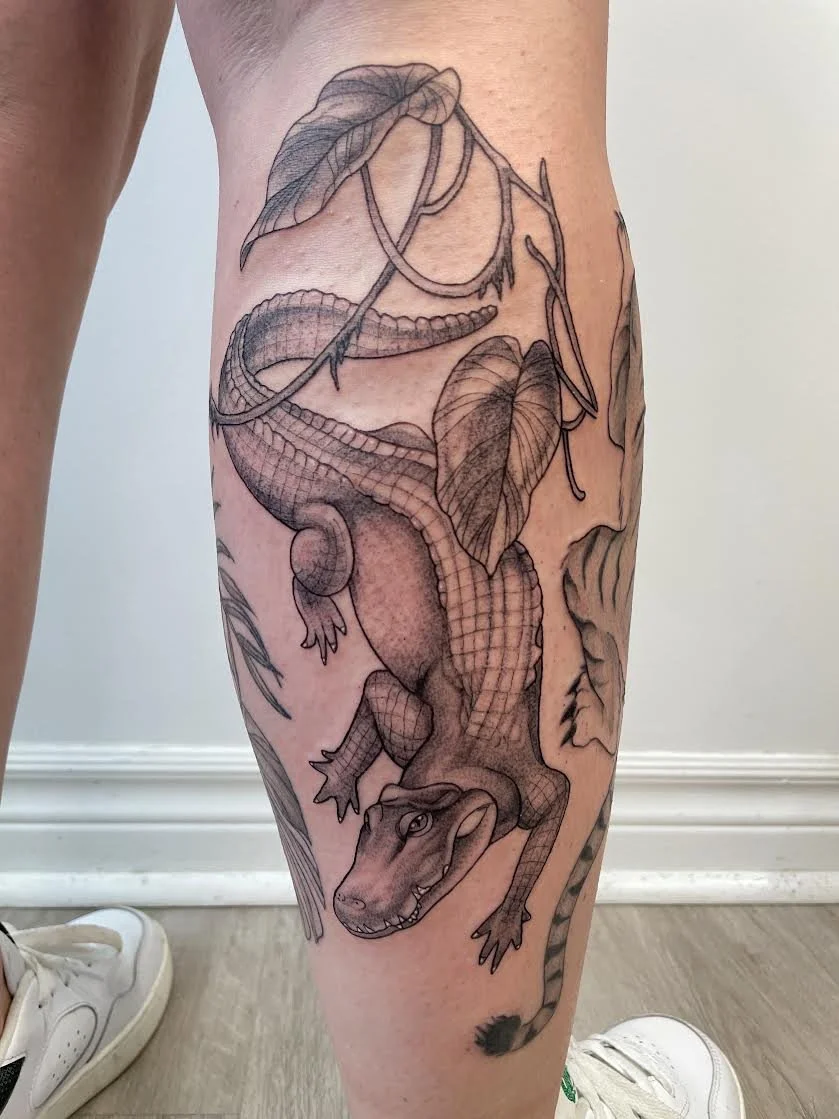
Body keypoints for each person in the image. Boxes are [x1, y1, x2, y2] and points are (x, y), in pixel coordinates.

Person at [0, 3, 746, 1118]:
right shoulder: (500, 773)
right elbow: (518, 794)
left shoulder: (444, 754)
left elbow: (391, 718)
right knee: (382, 15)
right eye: (405, 831)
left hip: (384, 505)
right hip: (359, 507)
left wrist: (368, 778)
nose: (383, 852)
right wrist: (329, 630)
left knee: (21, 96)